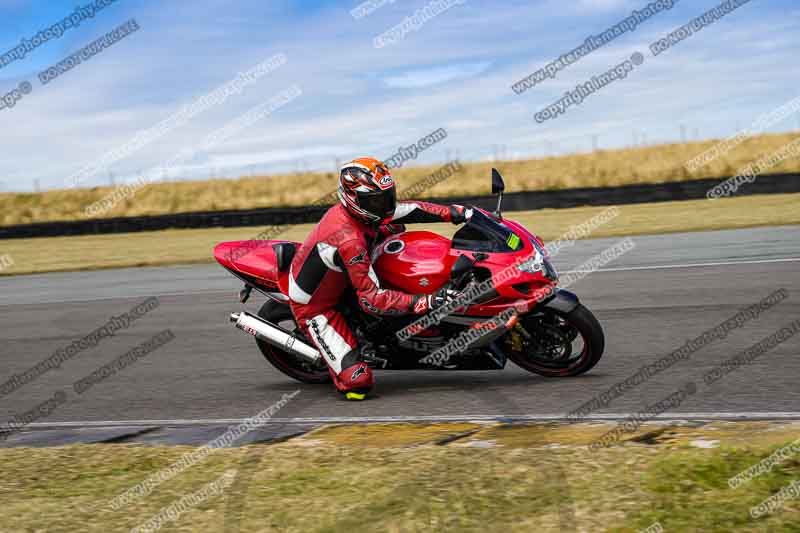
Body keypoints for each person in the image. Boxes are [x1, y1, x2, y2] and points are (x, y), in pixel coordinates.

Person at [288, 157, 471, 400]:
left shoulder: (370, 211)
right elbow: (372, 300)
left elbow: (414, 209)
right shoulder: (350, 240)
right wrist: (426, 301)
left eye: (387, 196)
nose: (384, 205)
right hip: (317, 306)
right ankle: (342, 367)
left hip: (345, 275)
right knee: (358, 384)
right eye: (376, 200)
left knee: (397, 226)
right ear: (353, 198)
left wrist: (459, 212)